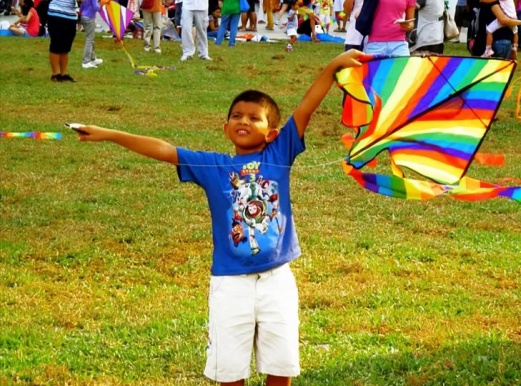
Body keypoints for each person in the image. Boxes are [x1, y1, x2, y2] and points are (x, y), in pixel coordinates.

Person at [73, 48, 365, 386]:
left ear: (272, 132)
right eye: (237, 116)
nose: (244, 121)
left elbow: (305, 108)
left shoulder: (280, 151)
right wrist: (110, 133)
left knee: (280, 366)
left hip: (277, 280)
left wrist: (331, 67)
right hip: (230, 284)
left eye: (254, 117)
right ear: (225, 127)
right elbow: (164, 149)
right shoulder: (213, 166)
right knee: (230, 369)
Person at [47, 0, 78, 82]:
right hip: (56, 13)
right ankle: (55, 74)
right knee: (56, 44)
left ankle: (63, 74)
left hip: (71, 16)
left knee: (66, 46)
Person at [80, 0, 104, 68]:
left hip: (84, 16)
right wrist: (101, 5)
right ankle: (86, 62)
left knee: (91, 38)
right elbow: (96, 8)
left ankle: (92, 58)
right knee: (89, 39)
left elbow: (81, 8)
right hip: (89, 17)